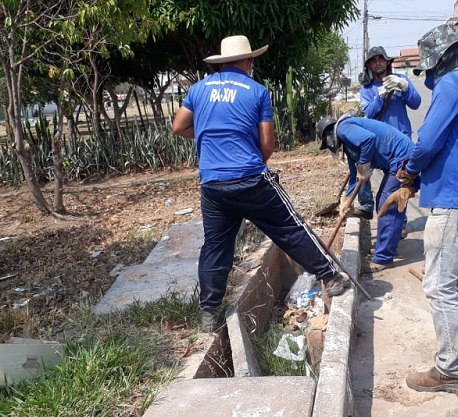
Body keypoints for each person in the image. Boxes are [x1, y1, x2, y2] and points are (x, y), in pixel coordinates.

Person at [172, 35, 349, 332]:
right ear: (250, 60)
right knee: (289, 228)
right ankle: (330, 277)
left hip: (213, 184)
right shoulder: (256, 91)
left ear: (222, 61)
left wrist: (210, 136)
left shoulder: (198, 89)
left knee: (216, 246)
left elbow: (179, 126)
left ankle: (208, 313)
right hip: (251, 178)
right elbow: (267, 145)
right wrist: (243, 145)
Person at [396, 25, 458, 393]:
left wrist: (409, 170)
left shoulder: (452, 84)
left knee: (439, 286)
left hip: (456, 199)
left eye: (431, 67)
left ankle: (450, 368)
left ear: (441, 58)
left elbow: (427, 141)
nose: (431, 76)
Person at [316, 114, 416, 272]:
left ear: (329, 134)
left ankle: (384, 258)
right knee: (383, 201)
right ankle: (386, 247)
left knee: (388, 205)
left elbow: (368, 139)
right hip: (394, 162)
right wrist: (347, 201)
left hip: (402, 158)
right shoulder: (349, 147)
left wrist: (363, 165)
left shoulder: (343, 127)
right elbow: (355, 177)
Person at [359, 46, 422, 236]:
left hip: (401, 142)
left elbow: (416, 103)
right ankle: (369, 208)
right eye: (373, 60)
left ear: (387, 62)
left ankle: (400, 223)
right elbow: (369, 113)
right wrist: (381, 95)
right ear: (369, 65)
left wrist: (405, 87)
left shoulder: (401, 81)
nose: (378, 63)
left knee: (401, 183)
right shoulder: (367, 89)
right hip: (379, 144)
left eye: (381, 59)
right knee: (369, 178)